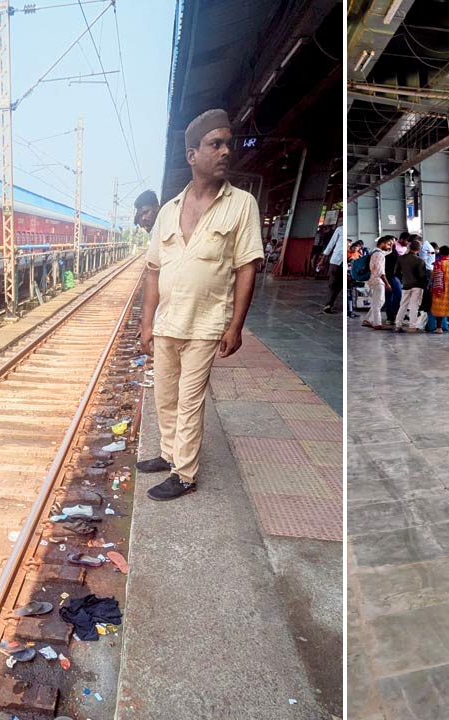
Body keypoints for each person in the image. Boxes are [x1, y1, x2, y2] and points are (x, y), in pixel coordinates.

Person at [136, 108, 264, 502]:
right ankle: (168, 453)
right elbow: (153, 271)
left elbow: (247, 267)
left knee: (190, 400)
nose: (226, 151)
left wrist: (236, 326)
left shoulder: (241, 205)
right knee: (164, 396)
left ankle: (185, 473)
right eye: (216, 144)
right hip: (167, 322)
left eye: (229, 144)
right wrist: (146, 323)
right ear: (193, 155)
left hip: (206, 324)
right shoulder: (169, 211)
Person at [393, 238, 429, 332]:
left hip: (405, 284)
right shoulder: (420, 261)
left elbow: (396, 272)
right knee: (414, 306)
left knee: (403, 305)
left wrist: (403, 279)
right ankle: (412, 326)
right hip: (417, 286)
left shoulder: (401, 258)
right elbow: (422, 275)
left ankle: (398, 324)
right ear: (419, 249)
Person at [428, 246, 449, 333]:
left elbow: (434, 275)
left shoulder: (438, 263)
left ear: (441, 253)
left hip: (440, 286)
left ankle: (439, 328)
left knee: (439, 306)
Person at [363, 236, 394, 329]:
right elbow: (380, 271)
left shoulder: (376, 252)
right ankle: (377, 324)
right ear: (383, 243)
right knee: (378, 302)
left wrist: (391, 246)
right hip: (378, 280)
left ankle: (368, 320)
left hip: (374, 279)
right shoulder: (379, 254)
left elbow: (388, 252)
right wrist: (387, 283)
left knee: (380, 301)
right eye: (388, 244)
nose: (389, 246)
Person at [319, 225, 345, 314]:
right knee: (333, 283)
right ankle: (329, 304)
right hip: (336, 261)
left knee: (339, 284)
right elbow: (331, 244)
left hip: (344, 261)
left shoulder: (341, 229)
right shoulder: (340, 229)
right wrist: (322, 260)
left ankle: (330, 302)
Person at [383, 234, 404, 326]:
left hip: (392, 276)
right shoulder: (386, 252)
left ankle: (391, 316)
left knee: (390, 296)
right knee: (396, 295)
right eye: (391, 241)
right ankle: (393, 315)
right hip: (391, 276)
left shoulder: (393, 251)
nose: (393, 242)